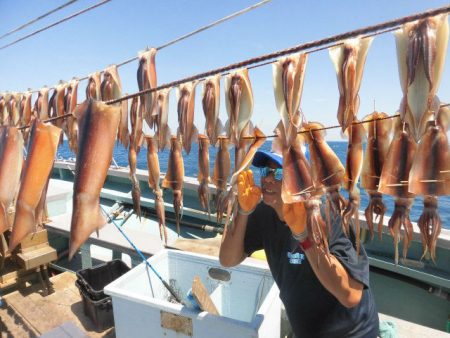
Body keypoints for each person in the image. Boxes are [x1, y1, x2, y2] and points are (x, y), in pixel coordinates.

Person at [219, 150, 379, 338]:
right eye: (265, 172)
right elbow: (227, 259)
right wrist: (243, 212)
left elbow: (350, 295)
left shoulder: (328, 216)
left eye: (280, 173)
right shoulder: (264, 212)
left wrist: (304, 236)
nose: (269, 179)